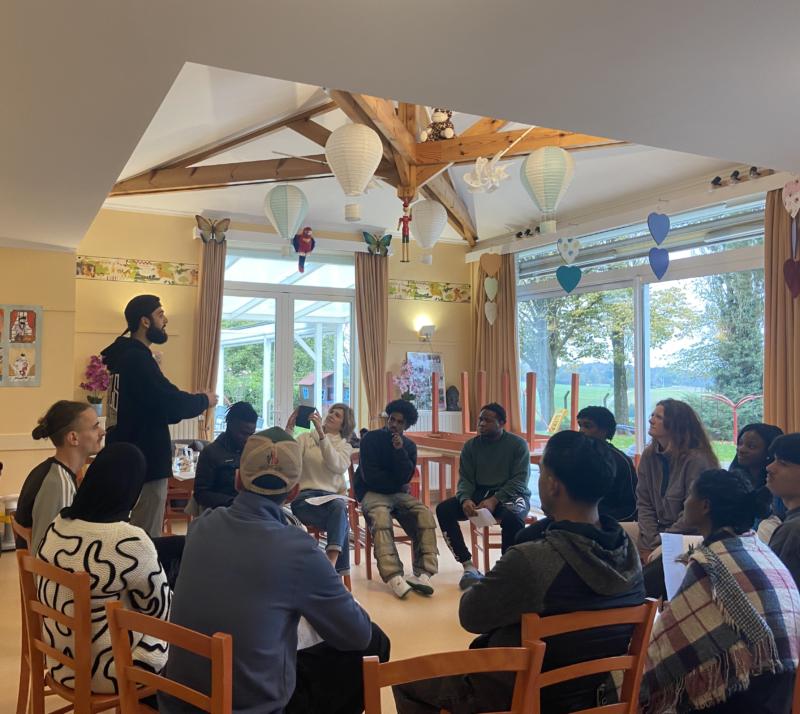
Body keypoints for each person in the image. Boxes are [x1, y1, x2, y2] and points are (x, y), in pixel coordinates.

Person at [393, 430, 644, 714]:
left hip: (525, 691)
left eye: (542, 472)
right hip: (594, 691)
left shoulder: (533, 560)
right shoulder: (628, 552)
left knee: (406, 681)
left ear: (553, 485)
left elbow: (471, 615)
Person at [161, 427, 388, 714]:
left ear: (238, 479)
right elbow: (357, 635)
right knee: (375, 642)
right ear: (294, 492)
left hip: (180, 701)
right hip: (250, 708)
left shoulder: (201, 526)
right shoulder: (298, 550)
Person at [640, 469, 800, 714]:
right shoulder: (756, 548)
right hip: (778, 696)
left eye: (690, 495)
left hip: (742, 696)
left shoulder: (710, 563)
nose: (685, 502)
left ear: (705, 506)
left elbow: (664, 651)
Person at [36, 443, 171, 694]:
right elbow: (161, 612)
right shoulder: (129, 540)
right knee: (182, 634)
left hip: (60, 663)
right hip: (108, 673)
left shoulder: (58, 523)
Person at [101, 294, 218, 537]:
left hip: (125, 455)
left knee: (126, 532)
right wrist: (204, 400)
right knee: (144, 536)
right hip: (144, 460)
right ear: (145, 321)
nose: (165, 321)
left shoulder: (123, 358)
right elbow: (169, 402)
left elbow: (156, 404)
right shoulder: (137, 358)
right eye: (160, 314)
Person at [436, 403, 531, 590]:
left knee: (513, 518)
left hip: (512, 494)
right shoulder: (471, 446)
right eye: (480, 419)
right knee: (444, 509)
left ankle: (506, 571)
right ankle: (468, 566)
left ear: (501, 423)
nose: (481, 424)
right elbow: (465, 479)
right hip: (481, 493)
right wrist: (465, 499)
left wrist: (495, 500)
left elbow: (520, 480)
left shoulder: (518, 445)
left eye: (487, 420)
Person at [353, 399, 438, 599]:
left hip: (398, 493)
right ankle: (394, 576)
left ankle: (424, 573)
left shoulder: (409, 446)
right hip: (372, 492)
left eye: (400, 422)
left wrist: (399, 451)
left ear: (406, 425)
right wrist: (396, 483)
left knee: (424, 514)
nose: (394, 424)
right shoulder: (370, 439)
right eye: (392, 419)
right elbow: (370, 477)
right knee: (381, 518)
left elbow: (406, 476)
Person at [16, 400, 105, 550]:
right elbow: (48, 551)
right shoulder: (58, 483)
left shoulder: (49, 471)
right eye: (95, 427)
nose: (102, 432)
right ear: (73, 438)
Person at [636, 399, 719, 558]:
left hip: (690, 536)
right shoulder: (648, 455)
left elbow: (692, 514)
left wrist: (663, 541)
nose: (651, 420)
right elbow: (644, 503)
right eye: (652, 415)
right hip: (656, 535)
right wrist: (650, 540)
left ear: (675, 424)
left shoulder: (697, 460)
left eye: (658, 417)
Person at [288, 403, 355, 576]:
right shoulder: (305, 438)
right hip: (305, 499)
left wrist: (322, 435)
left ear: (344, 425)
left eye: (337, 415)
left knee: (339, 509)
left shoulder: (345, 446)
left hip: (331, 501)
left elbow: (336, 465)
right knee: (341, 520)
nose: (331, 415)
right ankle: (335, 574)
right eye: (331, 412)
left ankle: (330, 566)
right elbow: (288, 457)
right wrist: (289, 428)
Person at [193, 401, 258, 511]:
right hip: (222, 512)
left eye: (251, 434)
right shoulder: (210, 453)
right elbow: (201, 494)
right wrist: (233, 502)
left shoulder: (254, 452)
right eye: (243, 433)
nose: (247, 439)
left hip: (250, 510)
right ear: (230, 426)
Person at [577, 405, 638, 522]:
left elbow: (631, 506)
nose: (581, 431)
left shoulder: (620, 461)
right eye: (580, 425)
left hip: (610, 524)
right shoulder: (573, 456)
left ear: (604, 430)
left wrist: (602, 524)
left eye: (588, 426)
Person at [729, 422, 785, 533]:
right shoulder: (733, 480)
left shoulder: (778, 488)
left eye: (751, 446)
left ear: (769, 452)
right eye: (740, 443)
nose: (741, 449)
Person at [765, 434, 800, 589]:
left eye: (783, 463)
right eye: (774, 459)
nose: (769, 468)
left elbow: (776, 593)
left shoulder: (793, 530)